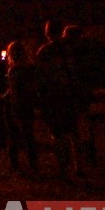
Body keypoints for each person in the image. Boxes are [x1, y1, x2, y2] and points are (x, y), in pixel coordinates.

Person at [35, 20, 80, 177]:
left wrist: (40, 96)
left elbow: (40, 76)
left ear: (47, 33)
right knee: (73, 131)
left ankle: (63, 165)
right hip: (69, 93)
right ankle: (77, 164)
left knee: (57, 132)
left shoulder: (44, 52)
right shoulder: (68, 50)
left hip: (53, 95)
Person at [62, 25, 97, 167]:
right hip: (82, 92)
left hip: (77, 93)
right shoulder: (83, 52)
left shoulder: (75, 55)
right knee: (84, 124)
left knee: (80, 124)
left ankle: (83, 155)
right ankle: (88, 155)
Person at [3, 40, 38, 172]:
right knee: (28, 134)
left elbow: (15, 91)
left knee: (13, 135)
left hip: (16, 104)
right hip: (27, 103)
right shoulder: (30, 69)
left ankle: (14, 164)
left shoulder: (14, 70)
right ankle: (33, 163)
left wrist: (14, 106)